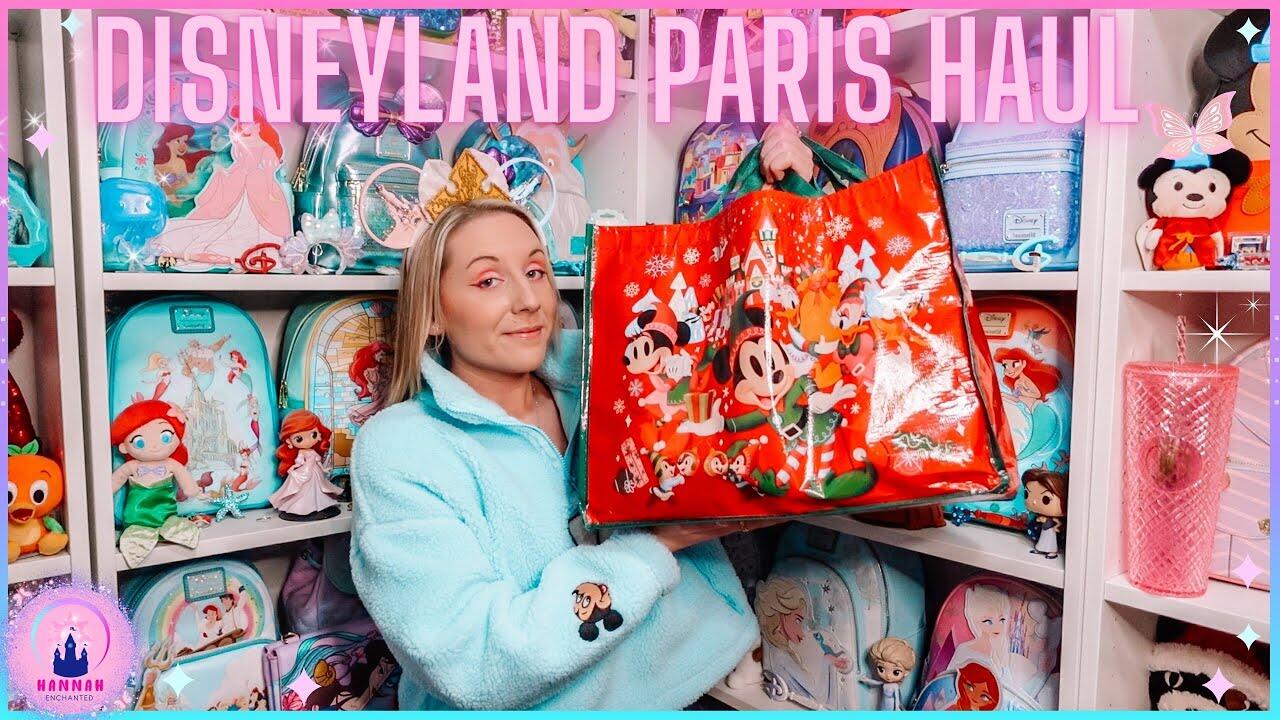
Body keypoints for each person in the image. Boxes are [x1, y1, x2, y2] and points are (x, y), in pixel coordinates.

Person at [348, 123, 816, 710]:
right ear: (434, 313)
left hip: (708, 679)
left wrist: (791, 200)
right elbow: (474, 661)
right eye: (489, 280)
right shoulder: (401, 449)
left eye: (536, 271)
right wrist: (659, 545)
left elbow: (760, 333)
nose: (528, 301)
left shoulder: (618, 374)